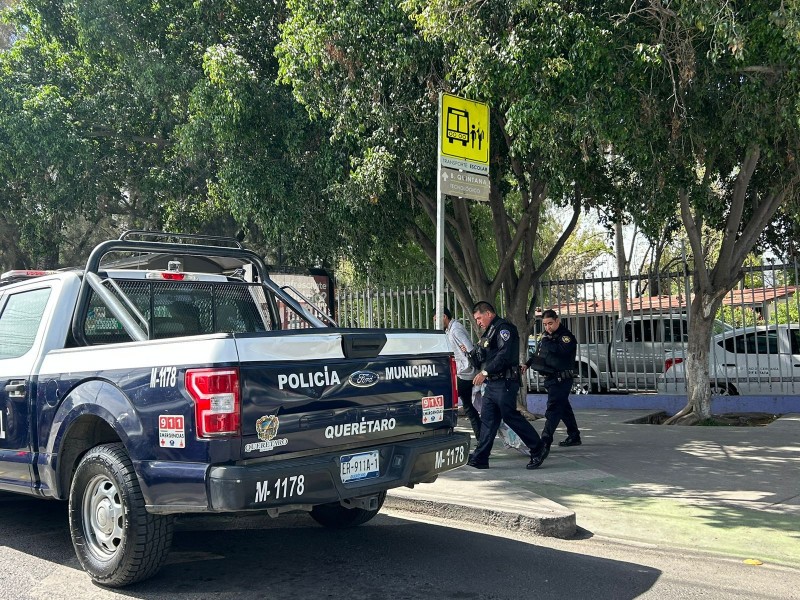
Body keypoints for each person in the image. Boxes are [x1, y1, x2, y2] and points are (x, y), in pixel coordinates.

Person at [464, 301, 548, 470]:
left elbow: (504, 355)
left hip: (505, 382)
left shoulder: (504, 329)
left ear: (488, 313)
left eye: (479, 318)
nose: (478, 322)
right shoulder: (489, 331)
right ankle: (481, 457)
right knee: (488, 420)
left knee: (510, 416)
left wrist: (485, 372)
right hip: (493, 384)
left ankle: (538, 448)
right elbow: (484, 356)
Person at [523, 309, 582, 458]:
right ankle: (574, 435)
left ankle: (545, 441)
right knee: (564, 408)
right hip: (551, 378)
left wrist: (547, 341)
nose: (547, 327)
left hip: (562, 379)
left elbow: (560, 351)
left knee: (554, 409)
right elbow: (539, 353)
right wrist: (528, 364)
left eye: (550, 323)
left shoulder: (566, 337)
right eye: (545, 324)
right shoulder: (547, 337)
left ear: (557, 321)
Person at [439, 307, 481, 440]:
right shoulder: (450, 330)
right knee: (469, 408)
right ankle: (482, 438)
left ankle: (446, 434)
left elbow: (470, 348)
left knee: (448, 398)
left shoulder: (456, 329)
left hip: (465, 372)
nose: (437, 323)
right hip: (462, 372)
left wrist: (466, 353)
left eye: (437, 319)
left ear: (444, 316)